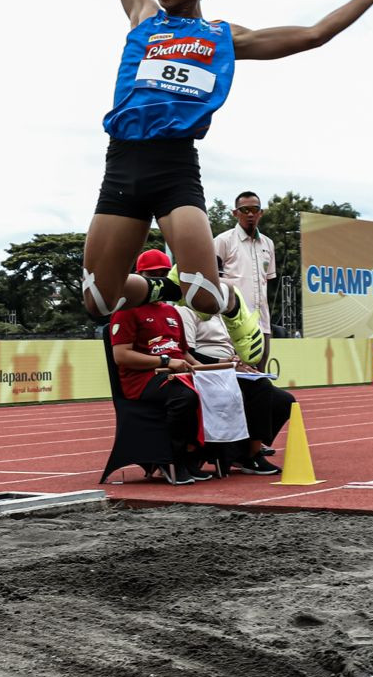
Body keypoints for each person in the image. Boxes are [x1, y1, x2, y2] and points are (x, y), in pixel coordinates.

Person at [79, 0, 373, 368]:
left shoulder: (223, 37)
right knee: (98, 301)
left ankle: (233, 305)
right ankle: (163, 286)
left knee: (204, 296)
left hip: (173, 168)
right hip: (123, 164)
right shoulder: (144, 18)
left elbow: (313, 35)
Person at [138, 249, 291, 475]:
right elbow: (186, 352)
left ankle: (242, 450)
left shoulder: (224, 309)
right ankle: (250, 455)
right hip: (207, 372)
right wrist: (224, 363)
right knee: (261, 389)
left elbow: (239, 342)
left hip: (227, 369)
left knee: (284, 400)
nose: (216, 284)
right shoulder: (183, 310)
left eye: (218, 278)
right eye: (211, 280)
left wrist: (240, 361)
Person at [108, 279, 216, 485]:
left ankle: (206, 455)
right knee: (184, 396)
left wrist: (207, 371)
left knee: (221, 389)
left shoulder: (172, 311)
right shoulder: (126, 310)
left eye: (162, 274)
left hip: (177, 374)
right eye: (151, 275)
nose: (157, 280)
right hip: (143, 380)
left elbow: (184, 353)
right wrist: (165, 361)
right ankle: (171, 459)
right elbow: (121, 356)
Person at [214, 191, 275, 370]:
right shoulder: (222, 241)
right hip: (235, 323)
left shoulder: (268, 244)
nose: (250, 214)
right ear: (235, 213)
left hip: (262, 322)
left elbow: (267, 281)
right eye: (244, 210)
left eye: (254, 209)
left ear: (261, 213)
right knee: (238, 372)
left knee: (260, 373)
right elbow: (213, 281)